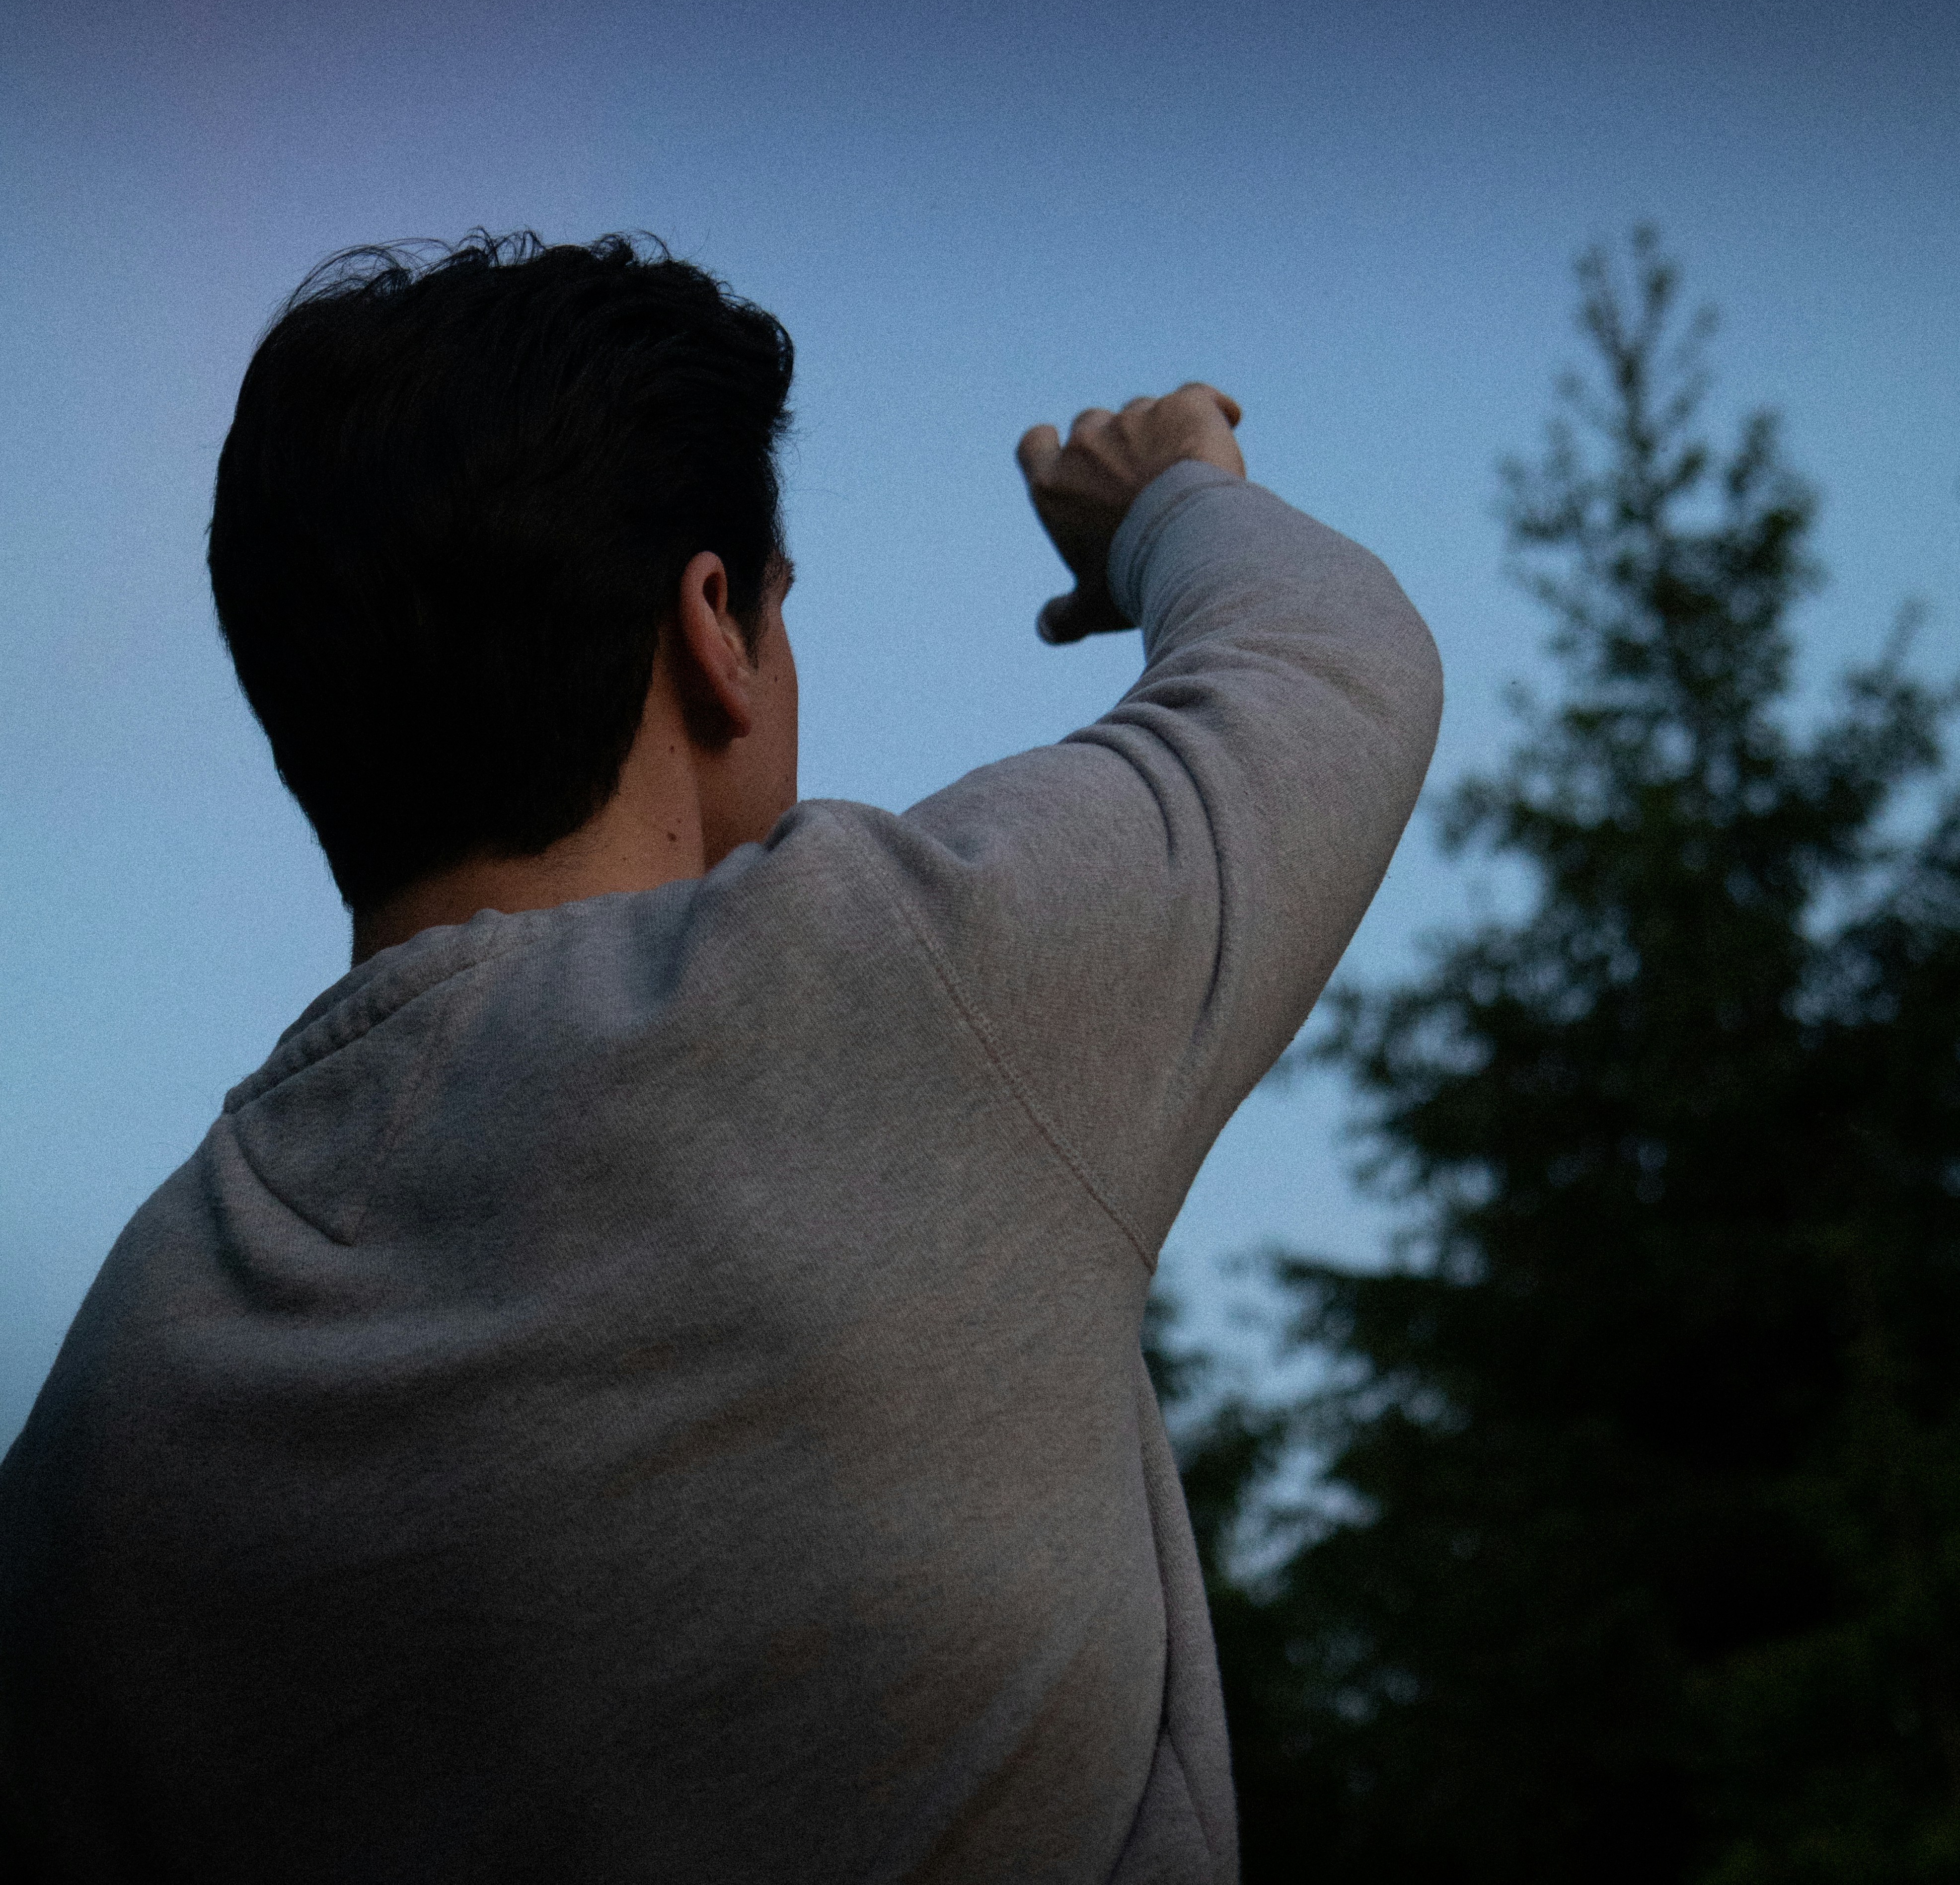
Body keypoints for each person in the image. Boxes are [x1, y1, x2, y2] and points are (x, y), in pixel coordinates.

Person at [0, 231, 1442, 1883]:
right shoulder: (898, 989)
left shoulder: (109, 1421)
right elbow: (1328, 662)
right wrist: (1170, 499)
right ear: (715, 631)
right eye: (779, 608)